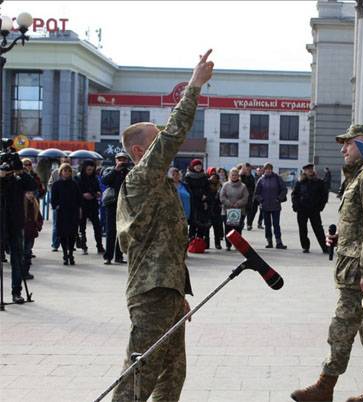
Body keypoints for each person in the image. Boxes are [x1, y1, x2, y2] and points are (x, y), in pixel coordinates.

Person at [111, 49, 213, 402]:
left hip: (166, 291)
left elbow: (169, 244)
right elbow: (174, 135)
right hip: (149, 293)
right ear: (140, 152)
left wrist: (178, 293)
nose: (165, 149)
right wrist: (194, 87)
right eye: (156, 144)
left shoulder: (161, 184)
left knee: (172, 372)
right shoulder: (140, 179)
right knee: (140, 373)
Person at [291, 124, 363, 402]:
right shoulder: (359, 176)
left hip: (362, 273)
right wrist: (341, 237)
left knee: (342, 327)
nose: (343, 149)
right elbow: (361, 224)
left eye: (348, 143)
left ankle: (326, 386)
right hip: (354, 267)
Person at [0, 160, 37, 303]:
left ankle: (17, 292)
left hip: (16, 223)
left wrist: (21, 170)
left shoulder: (18, 179)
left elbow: (32, 186)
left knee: (17, 259)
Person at [291, 163, 328, 253]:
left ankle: (325, 247)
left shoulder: (319, 182)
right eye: (308, 169)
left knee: (318, 229)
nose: (310, 170)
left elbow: (324, 195)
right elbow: (294, 195)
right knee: (303, 229)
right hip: (302, 209)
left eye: (311, 169)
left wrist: (320, 206)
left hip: (314, 209)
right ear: (305, 171)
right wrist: (296, 206)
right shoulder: (300, 182)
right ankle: (305, 246)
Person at [101, 152, 130, 265]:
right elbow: (104, 181)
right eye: (119, 159)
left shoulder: (129, 172)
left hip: (124, 204)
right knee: (110, 231)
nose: (121, 161)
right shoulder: (110, 170)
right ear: (115, 160)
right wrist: (116, 170)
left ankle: (119, 255)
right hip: (112, 204)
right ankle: (108, 256)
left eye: (124, 159)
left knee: (121, 231)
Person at [51, 163, 82, 266]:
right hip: (62, 213)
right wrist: (57, 206)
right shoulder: (56, 185)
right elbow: (53, 200)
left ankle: (71, 254)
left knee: (72, 234)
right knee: (63, 234)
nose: (67, 173)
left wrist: (79, 210)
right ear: (61, 172)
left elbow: (79, 199)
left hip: (73, 212)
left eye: (69, 171)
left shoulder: (74, 184)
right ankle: (65, 254)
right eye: (65, 171)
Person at [254, 162, 287, 249]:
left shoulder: (277, 178)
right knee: (267, 225)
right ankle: (269, 242)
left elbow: (284, 189)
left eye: (270, 169)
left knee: (276, 224)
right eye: (267, 169)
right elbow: (256, 193)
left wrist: (279, 198)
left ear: (272, 169)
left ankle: (279, 242)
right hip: (265, 206)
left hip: (276, 206)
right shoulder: (261, 180)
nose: (268, 170)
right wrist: (261, 200)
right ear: (264, 170)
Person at [75, 159, 105, 255]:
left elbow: (98, 188)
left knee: (97, 226)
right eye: (88, 169)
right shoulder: (78, 178)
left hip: (93, 204)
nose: (90, 172)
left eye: (91, 170)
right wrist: (83, 195)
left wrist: (98, 193)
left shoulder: (95, 178)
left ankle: (99, 246)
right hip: (82, 205)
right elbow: (76, 191)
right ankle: (83, 246)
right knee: (82, 227)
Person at [219, 167, 249, 251]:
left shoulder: (243, 186)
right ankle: (228, 245)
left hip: (239, 210)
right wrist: (229, 203)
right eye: (232, 175)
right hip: (226, 211)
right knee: (228, 228)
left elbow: (245, 197)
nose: (234, 176)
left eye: (236, 175)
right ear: (229, 175)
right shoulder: (225, 185)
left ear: (238, 176)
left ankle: (238, 245)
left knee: (238, 229)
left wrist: (238, 204)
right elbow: (222, 196)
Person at [48, 156, 71, 251]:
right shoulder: (55, 173)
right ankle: (55, 244)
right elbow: (49, 185)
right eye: (64, 161)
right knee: (56, 225)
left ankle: (69, 245)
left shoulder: (71, 172)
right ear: (60, 162)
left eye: (67, 161)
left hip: (69, 204)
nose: (65, 162)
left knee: (69, 224)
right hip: (58, 203)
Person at [184, 159, 209, 242]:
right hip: (193, 201)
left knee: (202, 221)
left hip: (202, 201)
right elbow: (188, 189)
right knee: (193, 222)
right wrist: (198, 195)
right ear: (192, 166)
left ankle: (200, 240)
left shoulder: (204, 176)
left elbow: (207, 188)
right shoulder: (188, 176)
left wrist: (205, 195)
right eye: (196, 165)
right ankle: (191, 239)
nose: (198, 167)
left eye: (200, 165)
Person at [23, 191, 43, 280]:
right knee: (24, 253)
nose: (30, 195)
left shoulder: (35, 204)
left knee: (28, 252)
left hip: (31, 233)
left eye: (31, 193)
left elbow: (39, 217)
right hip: (23, 233)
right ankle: (22, 271)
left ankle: (25, 272)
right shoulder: (21, 204)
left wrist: (38, 225)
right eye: (28, 193)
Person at [205, 173, 223, 249]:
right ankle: (206, 243)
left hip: (217, 209)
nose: (213, 179)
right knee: (206, 228)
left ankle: (217, 243)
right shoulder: (206, 186)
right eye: (212, 178)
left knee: (217, 228)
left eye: (215, 178)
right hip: (208, 209)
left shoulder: (220, 187)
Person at [237, 163, 256, 231]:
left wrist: (252, 195)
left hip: (249, 197)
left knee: (249, 212)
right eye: (246, 168)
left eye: (249, 168)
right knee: (242, 212)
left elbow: (253, 187)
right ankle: (241, 223)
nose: (248, 170)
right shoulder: (241, 176)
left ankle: (249, 224)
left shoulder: (251, 177)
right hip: (241, 197)